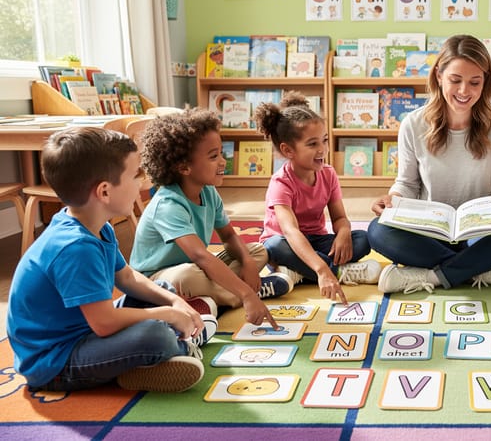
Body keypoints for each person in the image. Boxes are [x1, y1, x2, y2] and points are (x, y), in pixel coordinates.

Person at [7, 127, 214, 393]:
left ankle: (160, 350)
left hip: (84, 330)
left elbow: (126, 276)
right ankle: (173, 346)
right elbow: (104, 323)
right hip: (54, 362)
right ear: (104, 192)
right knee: (155, 335)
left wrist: (173, 302)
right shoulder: (75, 248)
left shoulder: (96, 225)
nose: (142, 183)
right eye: (134, 175)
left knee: (161, 291)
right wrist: (167, 314)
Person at [368, 34, 491, 293]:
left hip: (480, 233)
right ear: (439, 75)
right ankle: (481, 269)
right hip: (429, 233)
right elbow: (407, 183)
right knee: (377, 231)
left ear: (486, 82)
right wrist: (392, 200)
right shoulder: (413, 124)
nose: (464, 91)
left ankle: (433, 276)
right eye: (455, 80)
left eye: (475, 82)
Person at [130, 109, 286, 327]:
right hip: (159, 280)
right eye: (214, 156)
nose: (223, 161)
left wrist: (248, 262)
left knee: (257, 250)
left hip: (197, 268)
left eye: (222, 153)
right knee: (187, 275)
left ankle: (213, 298)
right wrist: (247, 295)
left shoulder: (208, 191)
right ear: (184, 167)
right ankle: (243, 295)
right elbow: (201, 256)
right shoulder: (168, 204)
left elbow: (229, 236)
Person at [254, 93, 381, 305]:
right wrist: (323, 270)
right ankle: (337, 273)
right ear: (288, 150)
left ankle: (297, 274)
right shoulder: (281, 183)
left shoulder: (328, 174)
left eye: (324, 140)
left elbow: (339, 217)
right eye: (312, 144)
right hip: (288, 244)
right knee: (274, 246)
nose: (322, 149)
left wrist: (343, 232)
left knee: (362, 239)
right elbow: (290, 232)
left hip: (316, 241)